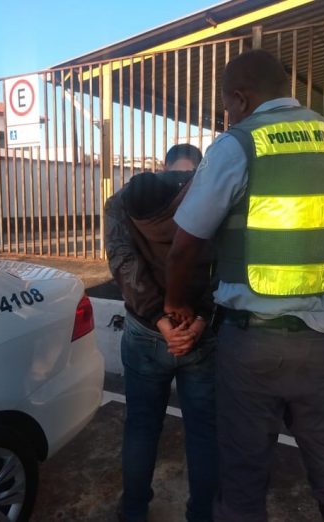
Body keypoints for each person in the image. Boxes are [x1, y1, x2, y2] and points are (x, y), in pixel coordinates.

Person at [163, 50, 324, 522]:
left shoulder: (237, 145)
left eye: (227, 105)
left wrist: (175, 301)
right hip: (323, 341)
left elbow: (184, 247)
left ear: (240, 98)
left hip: (252, 343)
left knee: (243, 472)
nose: (228, 114)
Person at [105, 144, 218, 522]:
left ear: (163, 167)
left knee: (141, 426)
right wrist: (200, 319)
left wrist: (159, 319)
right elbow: (227, 266)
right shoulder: (215, 198)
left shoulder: (122, 201)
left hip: (144, 331)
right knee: (203, 431)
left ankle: (134, 511)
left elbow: (123, 263)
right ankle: (202, 514)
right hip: (200, 334)